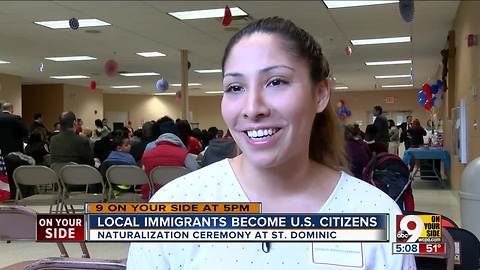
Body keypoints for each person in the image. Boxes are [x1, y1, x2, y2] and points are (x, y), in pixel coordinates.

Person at [128, 17, 415, 269]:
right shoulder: (173, 206)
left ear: (320, 94)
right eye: (235, 87)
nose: (253, 108)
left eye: (276, 82)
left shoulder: (379, 213)